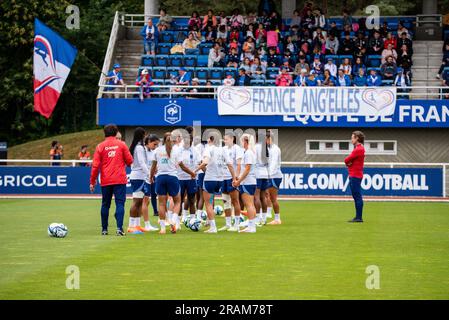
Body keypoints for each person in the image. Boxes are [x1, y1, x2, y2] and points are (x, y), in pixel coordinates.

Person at [90, 124, 133, 236]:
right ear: (116, 132)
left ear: (105, 133)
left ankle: (104, 230)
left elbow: (95, 166)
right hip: (119, 179)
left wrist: (92, 181)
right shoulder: (122, 145)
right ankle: (119, 229)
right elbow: (130, 161)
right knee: (120, 204)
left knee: (105, 204)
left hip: (106, 179)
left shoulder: (100, 146)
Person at [150, 132, 193, 234]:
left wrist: (151, 176)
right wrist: (192, 173)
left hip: (160, 177)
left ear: (163, 140)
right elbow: (182, 166)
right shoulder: (176, 151)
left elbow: (153, 167)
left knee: (161, 203)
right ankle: (173, 221)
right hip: (172, 177)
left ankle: (163, 229)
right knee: (177, 201)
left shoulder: (157, 150)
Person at [195, 135, 235, 234]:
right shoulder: (223, 150)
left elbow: (205, 162)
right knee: (213, 201)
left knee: (208, 203)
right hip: (220, 180)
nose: (207, 140)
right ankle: (223, 224)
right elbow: (230, 164)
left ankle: (213, 227)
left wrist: (194, 171)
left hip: (210, 179)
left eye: (208, 139)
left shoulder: (209, 149)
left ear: (211, 140)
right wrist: (234, 177)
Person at [232, 134, 257, 233]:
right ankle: (252, 225)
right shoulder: (248, 152)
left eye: (242, 141)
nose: (241, 143)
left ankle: (251, 227)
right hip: (249, 181)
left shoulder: (248, 153)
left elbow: (247, 169)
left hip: (248, 182)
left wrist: (239, 181)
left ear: (246, 142)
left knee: (249, 205)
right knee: (250, 204)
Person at [219, 132, 244, 232]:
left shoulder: (237, 148)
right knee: (225, 201)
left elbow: (238, 165)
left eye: (227, 139)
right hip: (223, 178)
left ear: (232, 139)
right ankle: (228, 224)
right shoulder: (223, 149)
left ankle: (237, 224)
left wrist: (236, 177)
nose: (225, 141)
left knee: (235, 200)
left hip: (231, 177)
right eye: (224, 139)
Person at [127, 127, 149, 234]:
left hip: (139, 176)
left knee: (140, 201)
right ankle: (131, 226)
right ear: (142, 135)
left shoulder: (138, 147)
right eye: (145, 135)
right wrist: (149, 174)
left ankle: (137, 225)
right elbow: (141, 162)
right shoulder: (139, 147)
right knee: (136, 201)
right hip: (138, 176)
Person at [177, 133, 200, 229]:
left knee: (191, 200)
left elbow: (199, 163)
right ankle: (177, 222)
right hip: (180, 178)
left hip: (191, 179)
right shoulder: (179, 150)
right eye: (184, 139)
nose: (186, 141)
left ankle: (193, 221)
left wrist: (195, 173)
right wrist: (192, 172)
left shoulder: (195, 150)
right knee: (179, 200)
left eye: (188, 139)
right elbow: (180, 164)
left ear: (191, 140)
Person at [344, 131, 366, 223]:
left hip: (355, 175)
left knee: (357, 196)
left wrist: (349, 163)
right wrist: (350, 164)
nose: (351, 139)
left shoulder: (358, 149)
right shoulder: (359, 148)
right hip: (355, 175)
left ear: (357, 138)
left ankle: (359, 217)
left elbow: (346, 160)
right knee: (356, 196)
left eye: (352, 137)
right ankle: (358, 217)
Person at [142, 134, 160, 229]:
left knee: (147, 200)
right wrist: (150, 174)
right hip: (145, 179)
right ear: (149, 142)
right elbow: (142, 164)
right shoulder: (142, 151)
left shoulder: (151, 152)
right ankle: (145, 224)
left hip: (150, 178)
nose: (155, 147)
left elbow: (152, 164)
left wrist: (155, 170)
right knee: (144, 201)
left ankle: (144, 223)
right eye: (154, 144)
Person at [266, 131, 282, 225]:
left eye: (266, 139)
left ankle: (277, 219)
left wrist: (268, 175)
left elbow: (274, 164)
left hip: (274, 176)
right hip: (272, 175)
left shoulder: (275, 149)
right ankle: (269, 214)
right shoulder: (270, 149)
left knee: (273, 198)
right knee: (268, 196)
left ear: (269, 139)